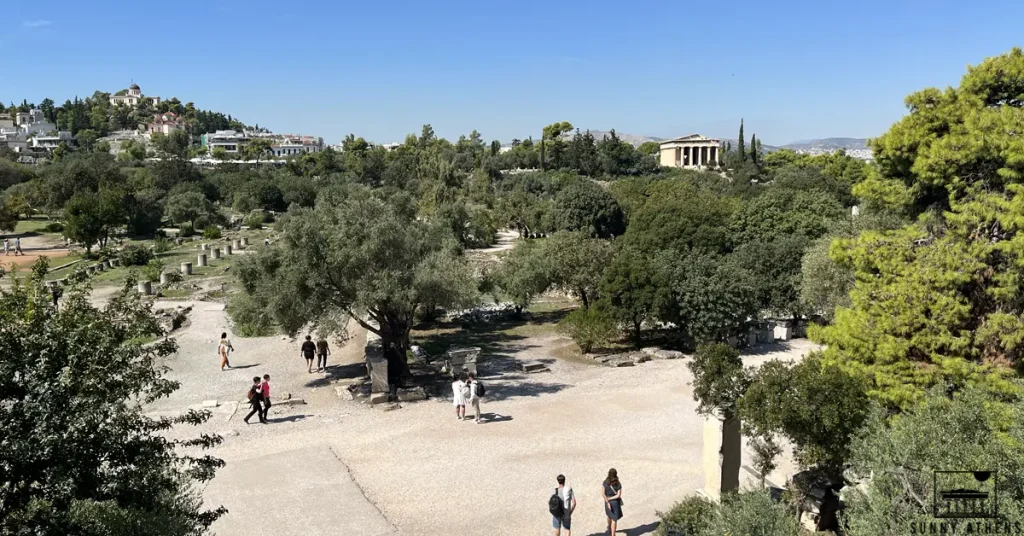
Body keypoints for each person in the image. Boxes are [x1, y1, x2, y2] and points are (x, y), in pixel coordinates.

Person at [602, 468, 623, 535]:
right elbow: (618, 495)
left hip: (607, 501)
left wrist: (607, 501)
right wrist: (611, 498)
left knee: (609, 515)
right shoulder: (618, 483)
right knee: (614, 520)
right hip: (615, 503)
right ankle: (613, 534)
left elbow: (603, 493)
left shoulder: (605, 482)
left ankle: (609, 528)